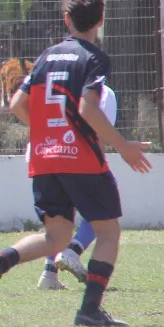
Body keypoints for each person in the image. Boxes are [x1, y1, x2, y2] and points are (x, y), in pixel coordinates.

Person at [0, 0, 152, 327]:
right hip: (80, 158)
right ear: (101, 19)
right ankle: (89, 311)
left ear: (66, 19)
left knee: (56, 237)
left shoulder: (46, 57)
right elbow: (88, 108)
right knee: (109, 232)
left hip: (45, 159)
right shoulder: (94, 58)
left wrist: (47, 133)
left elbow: (17, 104)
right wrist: (123, 147)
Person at [37, 84, 115, 290]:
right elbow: (100, 134)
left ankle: (49, 274)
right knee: (101, 212)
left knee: (58, 219)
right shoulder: (104, 92)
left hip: (46, 156)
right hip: (79, 160)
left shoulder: (53, 87)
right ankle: (72, 251)